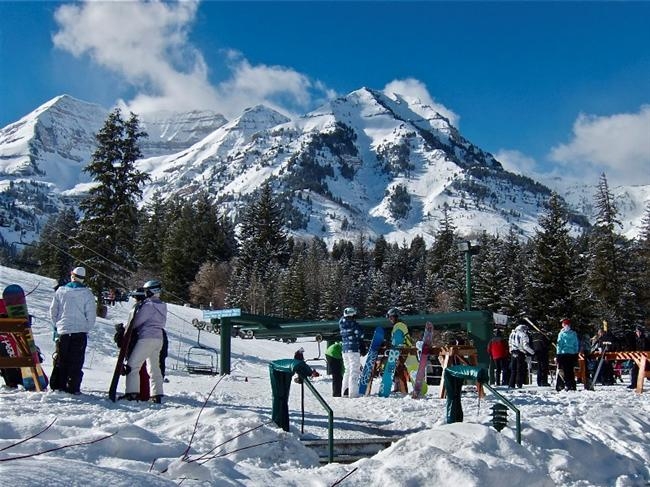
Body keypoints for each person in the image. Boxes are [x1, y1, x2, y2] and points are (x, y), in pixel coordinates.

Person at [49, 266, 96, 394]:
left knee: (62, 359)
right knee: (76, 360)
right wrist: (86, 327)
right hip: (80, 332)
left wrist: (57, 325)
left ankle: (60, 385)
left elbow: (53, 311)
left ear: (72, 275)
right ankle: (73, 387)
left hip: (64, 330)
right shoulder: (87, 294)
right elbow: (91, 315)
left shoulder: (61, 291)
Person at [123, 280, 167, 403]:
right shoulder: (163, 305)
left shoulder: (148, 305)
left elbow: (136, 322)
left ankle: (132, 393)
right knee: (154, 367)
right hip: (159, 338)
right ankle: (157, 393)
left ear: (150, 291)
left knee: (133, 365)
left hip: (146, 338)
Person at [386, 307, 415, 393]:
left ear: (395, 317)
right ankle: (398, 387)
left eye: (391, 317)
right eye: (389, 318)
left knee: (399, 367)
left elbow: (399, 338)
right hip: (403, 348)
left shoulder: (399, 325)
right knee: (398, 368)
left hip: (404, 349)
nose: (390, 320)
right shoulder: (399, 325)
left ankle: (402, 388)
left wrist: (394, 346)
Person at [339, 307, 364, 398]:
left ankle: (345, 391)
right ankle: (353, 393)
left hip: (344, 349)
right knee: (354, 370)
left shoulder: (342, 324)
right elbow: (361, 334)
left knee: (347, 370)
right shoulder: (354, 325)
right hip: (353, 349)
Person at [555, 318, 579, 391]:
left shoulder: (561, 334)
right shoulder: (574, 333)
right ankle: (572, 385)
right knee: (571, 370)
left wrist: (558, 354)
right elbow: (576, 344)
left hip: (563, 354)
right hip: (572, 354)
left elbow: (559, 345)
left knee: (562, 370)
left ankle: (563, 385)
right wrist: (576, 352)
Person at [508, 323, 534, 389]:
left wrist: (511, 351)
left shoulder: (512, 334)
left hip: (513, 352)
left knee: (513, 369)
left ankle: (511, 384)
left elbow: (510, 344)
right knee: (519, 369)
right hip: (520, 352)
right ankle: (519, 384)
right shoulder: (523, 335)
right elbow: (525, 346)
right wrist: (532, 352)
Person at [628, 325, 649, 390]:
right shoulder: (634, 339)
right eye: (637, 331)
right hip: (637, 357)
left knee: (645, 371)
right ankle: (634, 384)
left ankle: (637, 385)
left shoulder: (646, 339)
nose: (638, 333)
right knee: (634, 370)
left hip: (646, 358)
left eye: (639, 331)